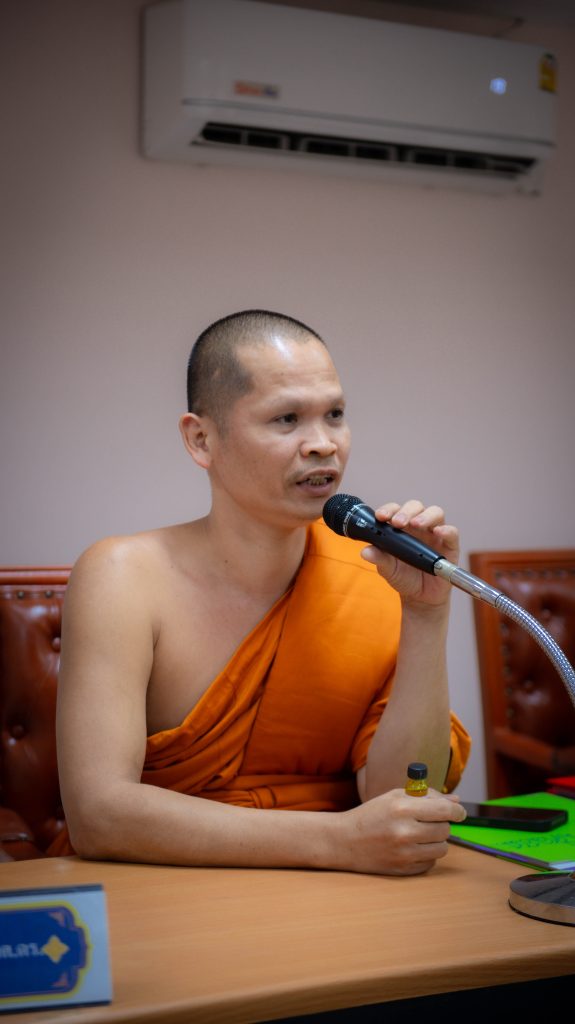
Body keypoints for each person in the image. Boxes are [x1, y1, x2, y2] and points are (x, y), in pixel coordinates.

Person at [51, 309, 470, 875]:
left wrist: (425, 614)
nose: (322, 444)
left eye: (335, 414)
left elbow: (400, 801)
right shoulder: (123, 577)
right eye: (286, 419)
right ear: (202, 439)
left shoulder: (373, 572)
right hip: (161, 887)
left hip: (346, 894)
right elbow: (99, 814)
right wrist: (337, 840)